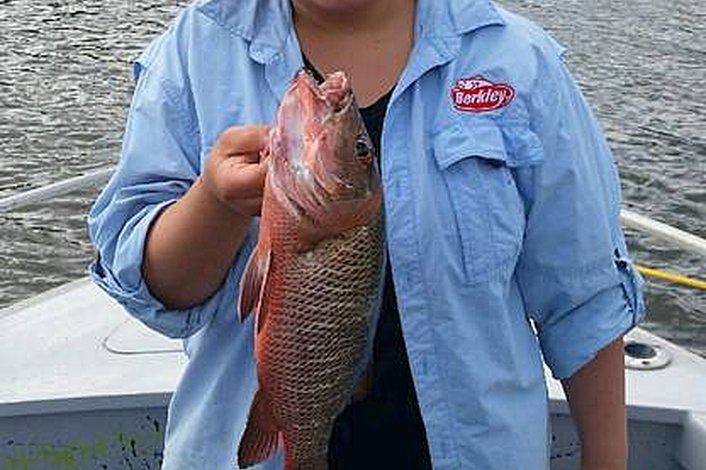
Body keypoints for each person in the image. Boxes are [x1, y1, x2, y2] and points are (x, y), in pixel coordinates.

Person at [87, 0, 645, 468]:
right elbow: (155, 288)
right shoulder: (196, 50)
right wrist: (214, 204)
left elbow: (585, 301)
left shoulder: (517, 61)